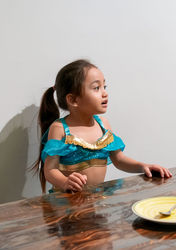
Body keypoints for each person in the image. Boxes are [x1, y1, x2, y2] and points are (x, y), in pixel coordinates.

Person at [33, 59, 172, 193]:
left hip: (96, 200)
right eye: (96, 88)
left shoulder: (103, 125)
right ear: (73, 99)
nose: (104, 93)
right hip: (67, 203)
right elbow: (50, 170)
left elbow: (119, 159)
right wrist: (64, 182)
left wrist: (144, 166)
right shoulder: (59, 129)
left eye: (104, 87)